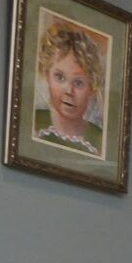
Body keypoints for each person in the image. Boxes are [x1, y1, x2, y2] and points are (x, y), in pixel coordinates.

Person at [34, 17, 106, 158]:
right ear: (46, 74)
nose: (69, 91)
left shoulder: (99, 139)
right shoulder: (34, 123)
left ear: (92, 87)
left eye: (78, 83)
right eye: (60, 77)